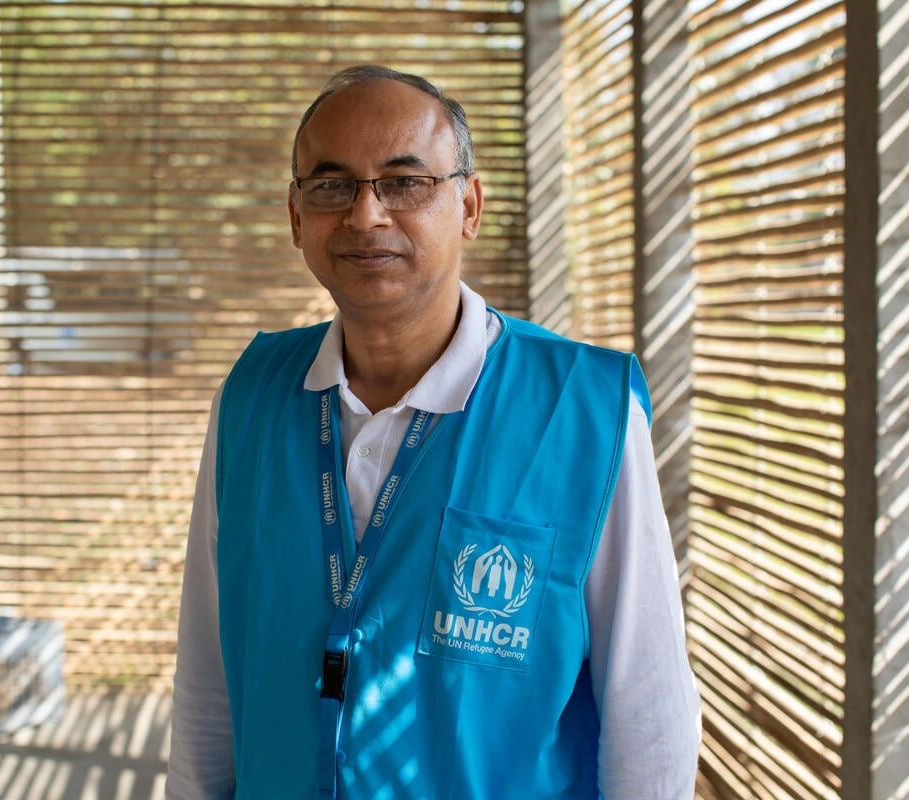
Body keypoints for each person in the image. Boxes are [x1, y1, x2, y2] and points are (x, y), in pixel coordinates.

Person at [166, 64, 701, 800]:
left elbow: (648, 709)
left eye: (404, 182)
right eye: (331, 186)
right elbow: (209, 679)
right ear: (296, 218)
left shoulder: (584, 409)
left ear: (469, 205)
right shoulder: (252, 396)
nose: (365, 215)